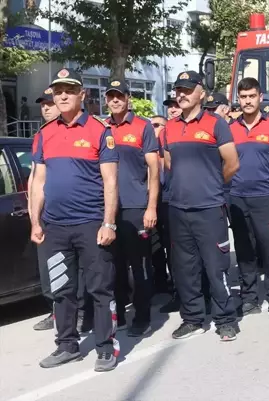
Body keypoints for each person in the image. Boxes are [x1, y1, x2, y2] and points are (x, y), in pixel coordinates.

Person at [30, 68, 120, 372]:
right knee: (62, 290)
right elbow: (38, 182)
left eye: (69, 90)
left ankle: (106, 348)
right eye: (58, 91)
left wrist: (109, 223)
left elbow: (110, 182)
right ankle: (66, 345)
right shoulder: (45, 133)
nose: (63, 95)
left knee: (99, 289)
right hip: (55, 227)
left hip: (91, 224)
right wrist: (35, 222)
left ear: (83, 94)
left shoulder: (99, 130)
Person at [162, 70, 240, 341]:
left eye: (186, 89)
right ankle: (193, 318)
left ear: (201, 93)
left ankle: (225, 319)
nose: (180, 94)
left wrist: (213, 185)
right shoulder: (170, 128)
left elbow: (232, 163)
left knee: (216, 267)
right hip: (178, 209)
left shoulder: (216, 123)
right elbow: (169, 163)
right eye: (177, 90)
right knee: (185, 269)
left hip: (209, 208)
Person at [228, 77, 269, 319]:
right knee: (244, 251)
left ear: (260, 97)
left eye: (251, 96)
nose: (247, 101)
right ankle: (249, 299)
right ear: (238, 98)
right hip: (237, 199)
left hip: (265, 199)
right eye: (243, 97)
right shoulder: (230, 128)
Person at [104, 80, 159, 337]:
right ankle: (120, 315)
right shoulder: (102, 128)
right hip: (109, 210)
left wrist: (151, 207)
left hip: (136, 206)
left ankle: (143, 316)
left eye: (119, 96)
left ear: (128, 99)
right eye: (110, 96)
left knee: (139, 266)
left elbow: (154, 170)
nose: (115, 101)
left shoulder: (142, 126)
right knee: (113, 264)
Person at [30, 88, 61, 331]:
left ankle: (80, 312)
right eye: (43, 104)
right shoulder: (41, 135)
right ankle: (56, 310)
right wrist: (34, 216)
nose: (46, 108)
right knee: (48, 266)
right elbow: (34, 177)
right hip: (45, 211)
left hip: (69, 212)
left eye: (50, 103)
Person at [150, 115, 180, 313]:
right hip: (153, 203)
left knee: (174, 249)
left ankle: (179, 290)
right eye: (152, 126)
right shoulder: (148, 150)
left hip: (170, 200)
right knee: (154, 246)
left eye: (158, 125)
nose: (155, 129)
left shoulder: (169, 148)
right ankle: (160, 283)